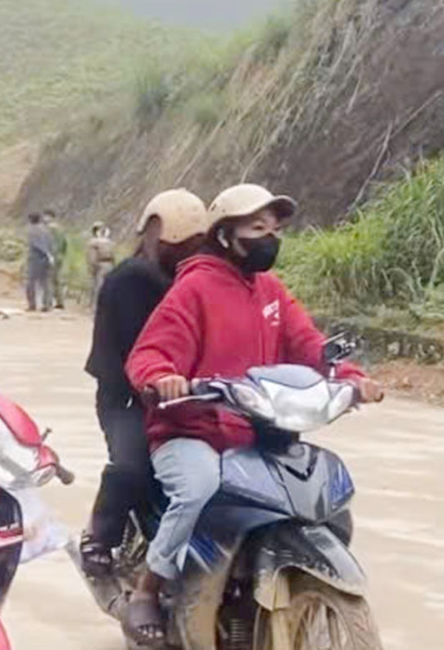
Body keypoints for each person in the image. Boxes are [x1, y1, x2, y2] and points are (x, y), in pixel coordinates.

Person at [122, 184, 384, 645]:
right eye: (256, 228)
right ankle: (150, 586)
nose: (269, 238)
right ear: (225, 235)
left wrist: (349, 376)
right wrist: (162, 376)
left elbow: (309, 346)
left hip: (255, 433)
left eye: (274, 229)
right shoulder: (195, 288)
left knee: (320, 493)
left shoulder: (270, 290)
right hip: (192, 431)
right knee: (199, 485)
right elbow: (149, 353)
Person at [80, 189, 211, 577]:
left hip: (184, 396)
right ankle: (101, 535)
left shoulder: (191, 282)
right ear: (155, 235)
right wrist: (158, 380)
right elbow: (134, 351)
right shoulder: (131, 280)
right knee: (134, 466)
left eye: (198, 245)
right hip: (126, 398)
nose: (191, 253)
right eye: (183, 245)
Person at [25, 212, 54, 311]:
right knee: (45, 282)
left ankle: (32, 305)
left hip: (36, 258)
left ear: (30, 221)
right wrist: (50, 255)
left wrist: (45, 253)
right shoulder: (46, 230)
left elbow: (36, 245)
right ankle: (47, 304)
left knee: (31, 282)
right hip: (47, 259)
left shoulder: (32, 231)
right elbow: (51, 244)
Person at [86, 222, 115, 309]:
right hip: (108, 264)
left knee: (98, 286)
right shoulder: (109, 242)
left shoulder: (93, 242)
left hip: (100, 265)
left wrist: (92, 268)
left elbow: (92, 257)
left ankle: (96, 306)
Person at [44, 210, 68, 309]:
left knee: (48, 280)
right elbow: (65, 243)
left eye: (45, 216)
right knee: (58, 280)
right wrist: (62, 254)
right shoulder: (61, 229)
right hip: (59, 257)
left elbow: (47, 243)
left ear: (50, 217)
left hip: (51, 256)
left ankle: (48, 302)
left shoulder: (49, 229)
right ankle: (60, 301)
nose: (44, 219)